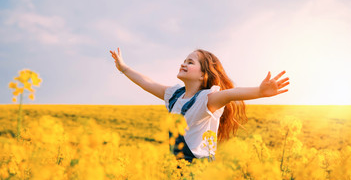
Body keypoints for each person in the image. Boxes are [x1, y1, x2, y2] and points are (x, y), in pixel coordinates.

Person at [110, 48, 289, 162]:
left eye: (190, 62)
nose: (184, 63)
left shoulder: (207, 99)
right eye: (184, 60)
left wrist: (259, 91)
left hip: (198, 169)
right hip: (176, 167)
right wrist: (124, 68)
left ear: (203, 75)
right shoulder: (175, 95)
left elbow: (232, 94)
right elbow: (147, 83)